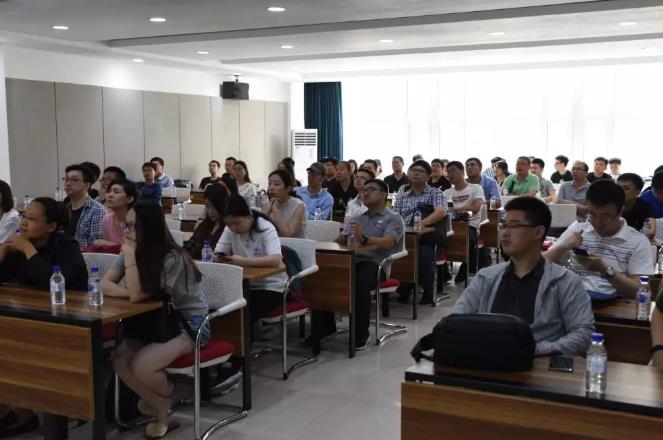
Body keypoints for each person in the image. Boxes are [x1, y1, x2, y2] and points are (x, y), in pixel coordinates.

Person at [102, 201, 209, 439]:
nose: (125, 230)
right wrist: (130, 291)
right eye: (125, 224)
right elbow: (106, 284)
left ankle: (165, 407)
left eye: (132, 225)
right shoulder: (131, 248)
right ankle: (163, 404)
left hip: (187, 324)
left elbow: (138, 295)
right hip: (150, 322)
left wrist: (130, 259)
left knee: (142, 366)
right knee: (120, 360)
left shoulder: (172, 257)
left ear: (148, 228)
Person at [454, 197, 594, 356]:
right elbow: (456, 321)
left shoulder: (565, 281)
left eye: (513, 226)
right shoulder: (486, 277)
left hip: (539, 364)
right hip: (487, 362)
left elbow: (583, 335)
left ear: (538, 232)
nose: (504, 233)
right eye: (503, 226)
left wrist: (533, 351)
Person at [314, 179, 405, 350]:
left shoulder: (393, 218)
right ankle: (324, 329)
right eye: (364, 190)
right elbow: (343, 240)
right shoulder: (358, 218)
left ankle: (360, 334)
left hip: (376, 264)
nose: (365, 193)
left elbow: (388, 242)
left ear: (383, 194)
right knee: (323, 277)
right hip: (351, 261)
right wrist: (338, 240)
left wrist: (363, 238)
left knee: (358, 281)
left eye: (371, 189)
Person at [545, 180, 653, 298]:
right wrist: (563, 246)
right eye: (592, 214)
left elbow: (641, 291)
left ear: (621, 211)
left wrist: (605, 269)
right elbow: (538, 264)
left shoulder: (638, 242)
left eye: (606, 217)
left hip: (612, 304)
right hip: (569, 298)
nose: (597, 223)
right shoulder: (578, 229)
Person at [214, 195, 287, 329]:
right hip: (242, 285)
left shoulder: (265, 227)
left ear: (248, 215)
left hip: (271, 287)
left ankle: (246, 342)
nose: (233, 228)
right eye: (229, 224)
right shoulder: (230, 229)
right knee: (219, 308)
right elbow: (219, 252)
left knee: (245, 313)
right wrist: (219, 257)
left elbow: (276, 259)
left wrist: (243, 261)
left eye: (236, 223)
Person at [0, 197, 88, 290]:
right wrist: (2, 253)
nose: (23, 223)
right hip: (33, 299)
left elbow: (53, 283)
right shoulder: (19, 248)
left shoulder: (68, 246)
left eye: (31, 219)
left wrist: (27, 248)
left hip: (69, 298)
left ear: (51, 226)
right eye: (23, 216)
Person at [393, 160, 447, 305]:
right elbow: (395, 216)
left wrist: (421, 224)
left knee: (423, 254)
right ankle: (404, 286)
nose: (416, 173)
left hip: (428, 237)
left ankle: (428, 292)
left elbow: (440, 212)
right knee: (400, 252)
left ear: (429, 176)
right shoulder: (402, 195)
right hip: (406, 236)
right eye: (413, 170)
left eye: (421, 171)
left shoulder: (435, 193)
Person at [443, 161, 486, 283]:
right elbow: (442, 211)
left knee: (470, 240)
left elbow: (475, 208)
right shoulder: (446, 192)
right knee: (436, 240)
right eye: (448, 172)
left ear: (462, 172)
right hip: (450, 225)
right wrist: (462, 208)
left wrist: (454, 209)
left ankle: (464, 269)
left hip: (470, 225)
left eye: (453, 171)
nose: (450, 174)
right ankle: (444, 273)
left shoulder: (476, 188)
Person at [63, 164, 106, 248]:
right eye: (66, 179)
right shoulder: (64, 209)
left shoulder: (97, 210)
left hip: (83, 255)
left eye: (75, 179)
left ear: (87, 184)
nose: (68, 183)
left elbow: (96, 245)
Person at [184, 183, 229, 260]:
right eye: (207, 206)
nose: (210, 211)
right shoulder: (205, 224)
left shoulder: (228, 228)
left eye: (214, 207)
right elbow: (189, 246)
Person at [262, 169, 307, 238]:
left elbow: (288, 235)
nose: (271, 188)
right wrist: (266, 213)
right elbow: (257, 232)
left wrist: (277, 213)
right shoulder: (267, 204)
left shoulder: (299, 205)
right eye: (269, 184)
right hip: (273, 243)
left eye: (276, 184)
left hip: (295, 244)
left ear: (288, 188)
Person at [93, 180, 137, 248]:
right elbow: (106, 248)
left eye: (116, 192)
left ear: (129, 199)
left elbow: (138, 249)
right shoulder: (106, 219)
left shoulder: (136, 220)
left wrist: (112, 245)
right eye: (109, 191)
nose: (110, 195)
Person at [617, 173, 656, 240]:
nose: (619, 191)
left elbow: (650, 232)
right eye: (617, 187)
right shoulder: (609, 204)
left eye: (625, 188)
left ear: (637, 193)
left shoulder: (644, 206)